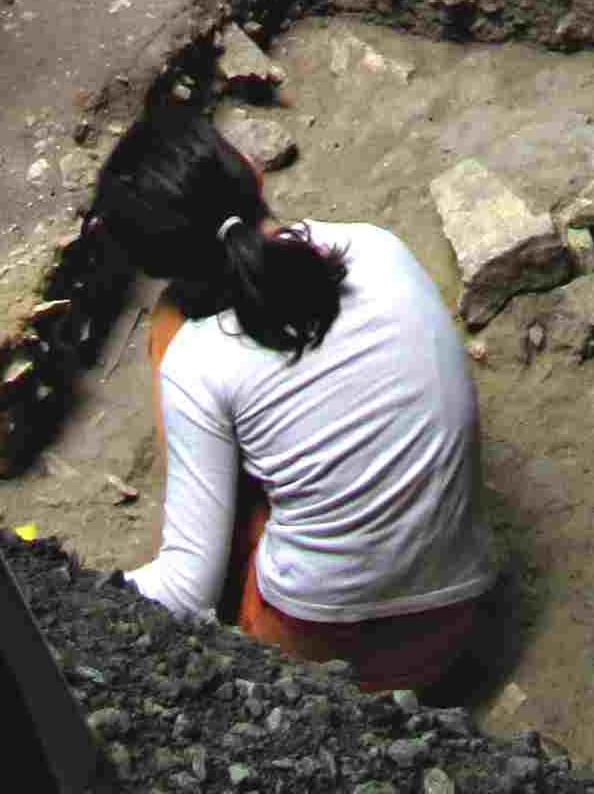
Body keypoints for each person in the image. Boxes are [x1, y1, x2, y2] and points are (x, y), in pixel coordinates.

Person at [104, 101, 491, 687]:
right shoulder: (376, 247)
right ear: (255, 174)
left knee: (171, 333)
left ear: (159, 266)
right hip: (457, 625)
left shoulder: (194, 354)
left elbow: (185, 592)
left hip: (326, 662)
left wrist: (66, 586)